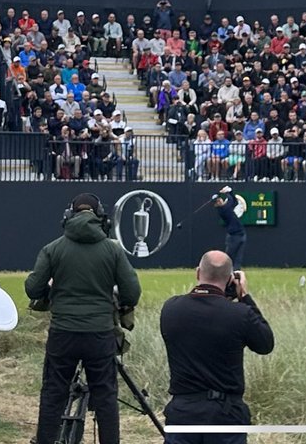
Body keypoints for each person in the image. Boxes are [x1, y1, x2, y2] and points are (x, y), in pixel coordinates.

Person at [25, 191, 141, 444]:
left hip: (63, 333)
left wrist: (53, 292)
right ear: (102, 217)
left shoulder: (53, 249)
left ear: (68, 215)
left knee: (53, 395)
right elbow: (132, 293)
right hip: (100, 334)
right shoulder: (113, 250)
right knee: (106, 398)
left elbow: (33, 289)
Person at [160, 250, 274, 444]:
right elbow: (265, 344)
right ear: (230, 279)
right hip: (225, 414)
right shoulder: (240, 314)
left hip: (183, 412)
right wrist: (244, 296)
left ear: (198, 273)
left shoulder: (171, 308)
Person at [213, 186, 247, 269]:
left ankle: (236, 272)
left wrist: (229, 192)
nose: (219, 201)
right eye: (217, 201)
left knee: (238, 257)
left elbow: (234, 201)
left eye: (219, 199)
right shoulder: (223, 210)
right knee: (229, 257)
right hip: (233, 236)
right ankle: (225, 272)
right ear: (216, 205)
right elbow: (231, 201)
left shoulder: (226, 207)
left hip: (241, 233)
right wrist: (228, 192)